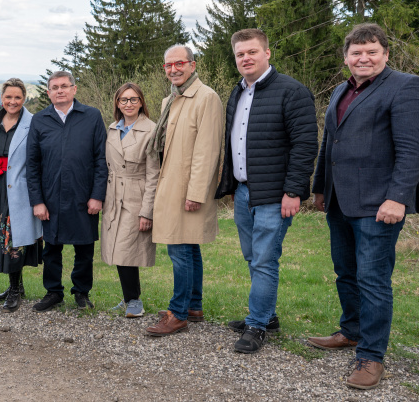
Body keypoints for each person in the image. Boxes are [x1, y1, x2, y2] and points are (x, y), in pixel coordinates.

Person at [307, 23, 419, 390]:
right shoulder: (341, 91)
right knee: (346, 272)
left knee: (373, 280)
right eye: (356, 52)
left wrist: (398, 197)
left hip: (379, 204)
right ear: (346, 58)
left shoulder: (405, 87)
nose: (364, 58)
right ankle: (352, 331)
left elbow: (411, 150)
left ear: (385, 54)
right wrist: (320, 189)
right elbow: (330, 144)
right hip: (340, 201)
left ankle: (371, 357)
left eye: (372, 51)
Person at [215, 29, 317, 354]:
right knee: (253, 256)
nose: (246, 58)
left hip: (276, 195)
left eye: (252, 52)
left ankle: (257, 325)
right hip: (245, 193)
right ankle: (268, 315)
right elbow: (234, 144)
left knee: (263, 259)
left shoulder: (292, 91)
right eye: (240, 54)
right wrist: (233, 185)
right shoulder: (237, 93)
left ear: (267, 53)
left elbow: (305, 145)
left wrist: (294, 191)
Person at [145, 46, 223, 336]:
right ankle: (193, 306)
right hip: (171, 184)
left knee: (179, 249)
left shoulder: (207, 97)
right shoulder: (171, 99)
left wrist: (196, 193)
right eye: (168, 65)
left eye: (179, 63)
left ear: (192, 65)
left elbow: (208, 150)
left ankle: (177, 313)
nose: (173, 69)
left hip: (187, 189)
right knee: (189, 247)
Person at [27, 70, 108, 311]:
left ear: (74, 89)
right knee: (51, 249)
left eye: (64, 86)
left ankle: (81, 292)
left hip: (83, 195)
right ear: (48, 92)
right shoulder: (40, 120)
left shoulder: (92, 116)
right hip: (50, 196)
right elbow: (32, 164)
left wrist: (97, 195)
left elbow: (101, 159)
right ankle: (53, 292)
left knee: (84, 248)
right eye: (55, 87)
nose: (60, 90)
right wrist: (37, 201)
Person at [101, 83, 159, 318]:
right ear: (117, 103)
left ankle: (134, 300)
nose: (128, 104)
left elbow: (154, 174)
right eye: (123, 100)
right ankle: (128, 298)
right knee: (117, 248)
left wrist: (147, 211)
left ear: (141, 102)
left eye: (133, 99)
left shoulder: (151, 130)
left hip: (136, 195)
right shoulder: (112, 128)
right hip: (113, 194)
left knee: (126, 248)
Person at [0, 78, 43, 312]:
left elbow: (38, 159)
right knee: (2, 238)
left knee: (14, 239)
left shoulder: (32, 123)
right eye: (8, 97)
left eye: (17, 97)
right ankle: (16, 286)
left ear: (24, 99)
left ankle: (14, 290)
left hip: (19, 190)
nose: (12, 101)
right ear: (2, 98)